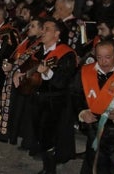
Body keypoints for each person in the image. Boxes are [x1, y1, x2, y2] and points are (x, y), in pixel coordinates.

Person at [71, 39, 114, 174]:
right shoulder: (85, 71)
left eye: (108, 57)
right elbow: (75, 96)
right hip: (94, 132)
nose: (103, 61)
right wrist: (82, 112)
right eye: (99, 57)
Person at [31, 17, 78, 174]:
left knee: (49, 138)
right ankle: (46, 166)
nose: (42, 31)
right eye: (42, 28)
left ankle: (50, 170)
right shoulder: (38, 50)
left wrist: (48, 72)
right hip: (37, 99)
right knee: (41, 135)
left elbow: (63, 82)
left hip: (55, 103)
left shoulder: (67, 55)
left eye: (47, 29)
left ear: (57, 34)